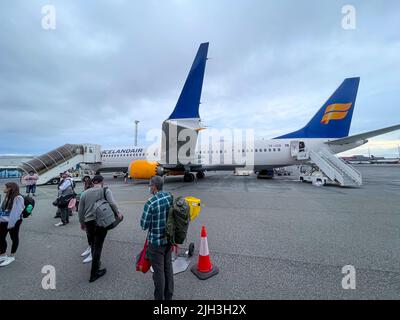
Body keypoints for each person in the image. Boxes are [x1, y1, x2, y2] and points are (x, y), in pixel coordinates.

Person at [78, 175, 123, 283]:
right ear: (102, 182)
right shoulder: (105, 190)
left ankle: (96, 264)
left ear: (93, 182)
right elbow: (112, 203)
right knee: (98, 246)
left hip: (89, 223)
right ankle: (94, 273)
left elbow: (80, 210)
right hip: (101, 223)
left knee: (93, 243)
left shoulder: (84, 193)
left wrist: (82, 223)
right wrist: (118, 213)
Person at [140, 176, 174, 300]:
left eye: (150, 185)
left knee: (158, 272)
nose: (149, 187)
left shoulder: (150, 202)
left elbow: (144, 225)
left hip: (156, 243)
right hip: (169, 239)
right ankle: (168, 295)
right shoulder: (169, 196)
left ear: (154, 186)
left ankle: (159, 298)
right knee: (168, 268)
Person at [0, 182, 25, 267]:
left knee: (14, 238)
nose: (4, 188)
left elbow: (16, 213)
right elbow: (2, 209)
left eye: (5, 187)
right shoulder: (7, 196)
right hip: (3, 221)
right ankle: (3, 255)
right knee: (1, 238)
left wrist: (11, 225)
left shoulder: (18, 198)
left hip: (13, 222)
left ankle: (12, 256)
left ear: (10, 188)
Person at [80, 178, 94, 264]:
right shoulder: (84, 193)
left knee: (93, 236)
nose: (85, 185)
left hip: (93, 218)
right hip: (87, 218)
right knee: (89, 235)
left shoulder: (95, 192)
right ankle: (89, 247)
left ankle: (92, 253)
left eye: (87, 184)